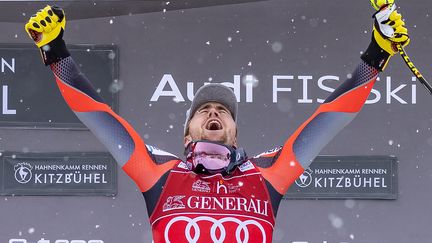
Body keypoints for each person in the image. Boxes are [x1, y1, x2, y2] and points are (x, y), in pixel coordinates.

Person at [25, 4, 409, 242]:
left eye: (222, 111)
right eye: (202, 110)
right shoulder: (160, 173)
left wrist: (376, 53)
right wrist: (54, 49)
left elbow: (330, 118)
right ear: (186, 132)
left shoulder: (266, 174)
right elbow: (97, 114)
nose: (212, 113)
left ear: (234, 132)